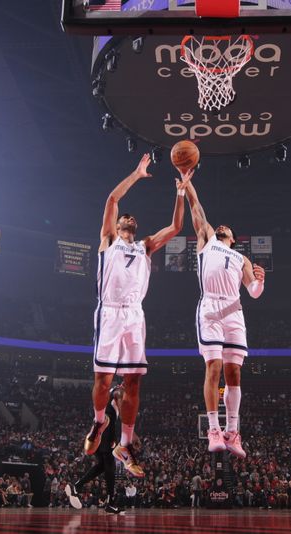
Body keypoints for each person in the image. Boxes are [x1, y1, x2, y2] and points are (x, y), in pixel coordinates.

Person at [83, 154, 188, 478]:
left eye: (131, 218)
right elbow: (113, 198)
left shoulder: (145, 246)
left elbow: (176, 227)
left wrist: (181, 192)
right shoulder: (108, 240)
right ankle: (100, 421)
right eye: (123, 217)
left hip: (134, 316)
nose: (127, 217)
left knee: (133, 382)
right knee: (103, 379)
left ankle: (124, 444)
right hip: (110, 313)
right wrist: (137, 173)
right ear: (116, 226)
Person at [182, 176, 266, 457]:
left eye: (226, 228)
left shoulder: (242, 259)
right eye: (220, 226)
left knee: (234, 373)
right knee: (214, 367)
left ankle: (233, 432)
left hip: (234, 311)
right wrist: (187, 184)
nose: (221, 226)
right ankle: (214, 430)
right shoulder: (206, 238)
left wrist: (260, 282)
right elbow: (196, 207)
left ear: (233, 238)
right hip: (210, 309)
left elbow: (253, 291)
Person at [69, 385, 135, 514]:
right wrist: (124, 434)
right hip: (106, 430)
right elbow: (122, 415)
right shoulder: (119, 391)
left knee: (102, 466)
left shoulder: (112, 391)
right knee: (110, 467)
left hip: (100, 428)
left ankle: (77, 485)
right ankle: (110, 504)